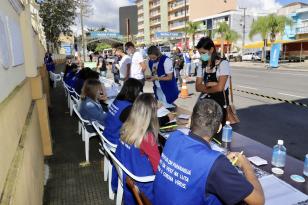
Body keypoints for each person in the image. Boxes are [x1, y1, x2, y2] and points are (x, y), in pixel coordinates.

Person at [154, 99, 265, 205]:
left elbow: (191, 162)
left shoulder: (174, 137)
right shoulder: (215, 164)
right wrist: (247, 166)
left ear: (190, 121)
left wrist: (222, 163)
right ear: (219, 128)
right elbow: (258, 201)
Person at [115, 93, 161, 204]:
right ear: (152, 115)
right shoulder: (147, 138)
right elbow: (158, 169)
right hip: (144, 186)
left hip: (129, 175)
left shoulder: (126, 128)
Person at [195, 37, 231, 137]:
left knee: (218, 134)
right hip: (205, 105)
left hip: (220, 105)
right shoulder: (202, 64)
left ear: (211, 49)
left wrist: (205, 86)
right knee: (204, 134)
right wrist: (210, 85)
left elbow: (220, 88)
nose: (201, 56)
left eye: (203, 53)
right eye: (200, 53)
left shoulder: (223, 64)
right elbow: (197, 87)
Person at [103, 78, 143, 145]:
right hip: (115, 139)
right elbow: (139, 124)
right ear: (134, 91)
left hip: (107, 133)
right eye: (139, 91)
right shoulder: (128, 107)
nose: (140, 93)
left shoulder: (118, 100)